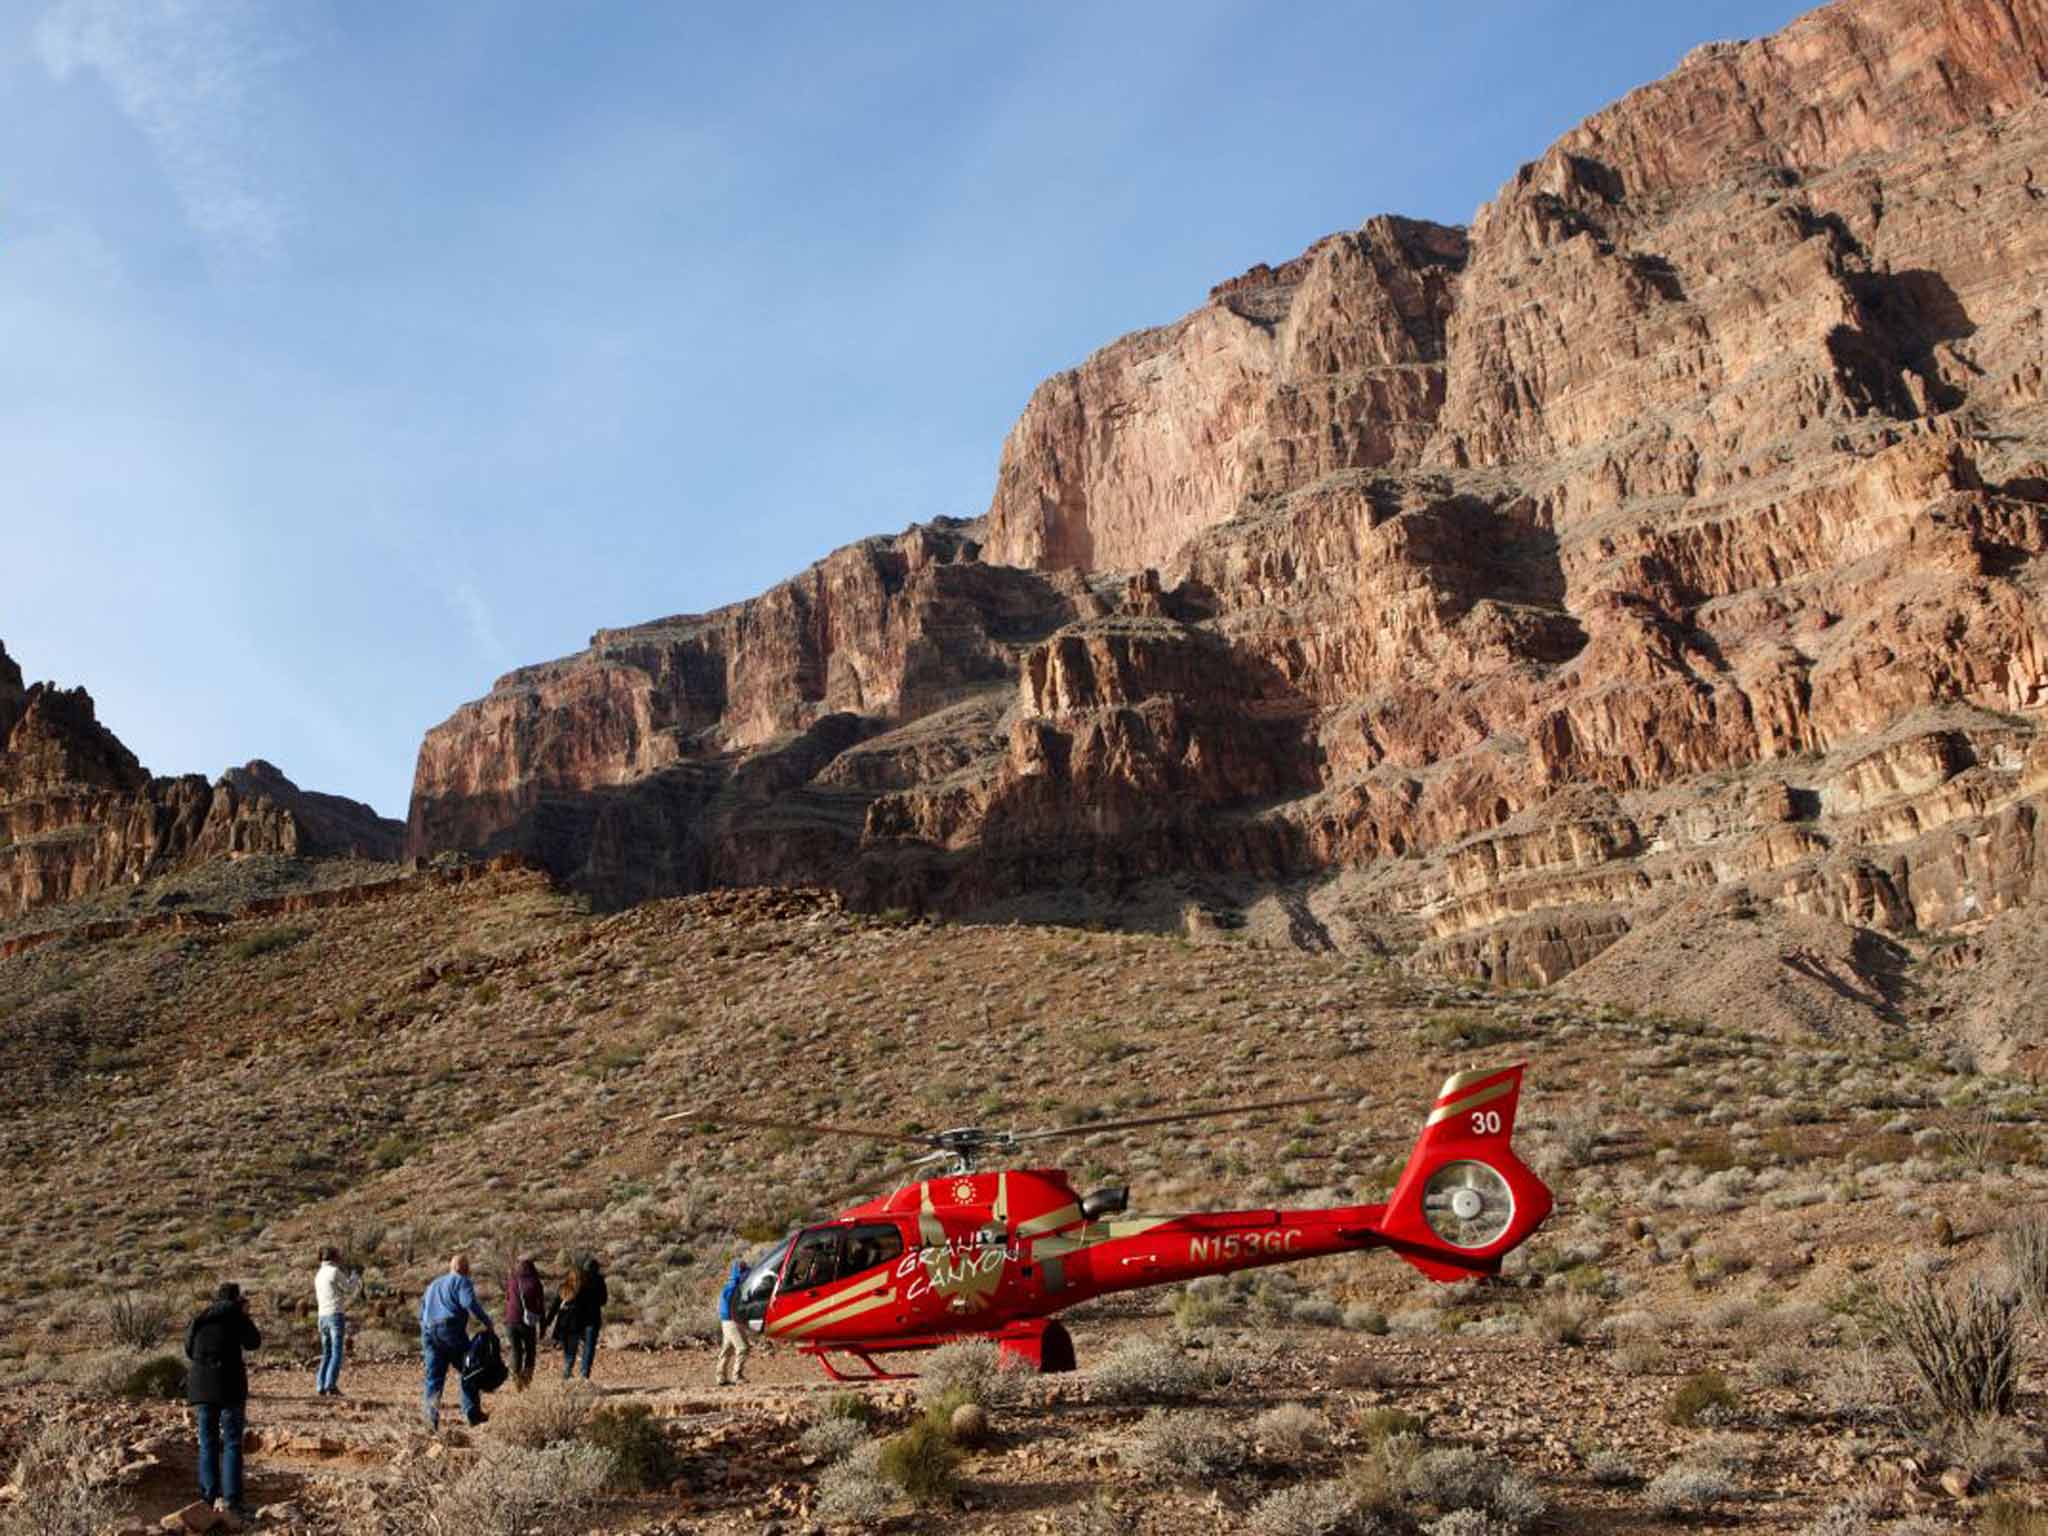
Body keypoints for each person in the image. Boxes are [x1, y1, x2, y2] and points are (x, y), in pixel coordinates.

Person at [185, 1281, 261, 1521]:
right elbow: (254, 1342)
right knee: (231, 1443)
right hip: (230, 1387)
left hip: (200, 1387)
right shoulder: (236, 1317)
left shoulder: (200, 1318)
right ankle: (232, 1500)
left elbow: (188, 1350)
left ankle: (208, 1497)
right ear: (237, 1299)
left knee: (207, 1443)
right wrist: (245, 1315)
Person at [419, 1253, 494, 1430]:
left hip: (429, 1331)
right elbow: (468, 1302)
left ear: (451, 1267)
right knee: (470, 1368)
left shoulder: (434, 1284)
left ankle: (430, 1422)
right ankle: (472, 1413)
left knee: (433, 1378)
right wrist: (487, 1322)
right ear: (466, 1269)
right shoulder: (462, 1281)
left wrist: (426, 1330)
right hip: (450, 1329)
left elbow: (421, 1311)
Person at [544, 1256, 608, 1380]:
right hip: (593, 1319)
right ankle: (584, 1374)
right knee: (589, 1347)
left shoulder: (578, 1280)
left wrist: (548, 1320)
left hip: (577, 1320)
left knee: (571, 1346)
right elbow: (603, 1300)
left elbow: (559, 1301)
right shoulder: (599, 1280)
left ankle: (568, 1371)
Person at [313, 1245, 358, 1398]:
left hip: (322, 1316)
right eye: (338, 1254)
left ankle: (321, 1385)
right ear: (333, 1257)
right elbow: (349, 1289)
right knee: (337, 1353)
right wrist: (354, 1278)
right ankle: (330, 1385)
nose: (341, 1257)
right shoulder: (334, 1271)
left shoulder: (319, 1274)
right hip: (335, 1315)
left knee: (326, 1352)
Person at [504, 1254, 545, 1392]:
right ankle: (526, 1381)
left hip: (510, 1321)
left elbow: (507, 1298)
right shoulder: (535, 1282)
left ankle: (516, 1382)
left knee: (516, 1351)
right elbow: (541, 1306)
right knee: (530, 1351)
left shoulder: (512, 1280)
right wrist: (543, 1325)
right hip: (527, 1323)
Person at [716, 1258, 751, 1386]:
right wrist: (737, 1320)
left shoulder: (730, 1284)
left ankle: (720, 1377)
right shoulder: (734, 1287)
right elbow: (730, 1306)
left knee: (727, 1349)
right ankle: (737, 1376)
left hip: (727, 1321)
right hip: (731, 1321)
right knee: (743, 1348)